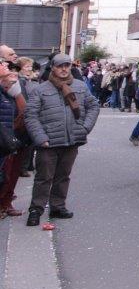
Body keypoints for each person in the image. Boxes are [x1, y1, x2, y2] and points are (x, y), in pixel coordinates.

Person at [24, 53, 99, 226]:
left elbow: (93, 106)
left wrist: (85, 128)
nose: (64, 69)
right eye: (60, 66)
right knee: (43, 177)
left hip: (72, 140)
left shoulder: (80, 86)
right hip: (48, 142)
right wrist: (40, 137)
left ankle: (58, 206)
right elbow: (31, 115)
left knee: (63, 176)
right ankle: (36, 209)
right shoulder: (41, 89)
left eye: (67, 65)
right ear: (53, 68)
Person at [0, 64, 27, 218]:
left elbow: (23, 112)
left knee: (9, 175)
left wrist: (16, 94)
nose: (7, 66)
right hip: (5, 140)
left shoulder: (12, 90)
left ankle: (5, 203)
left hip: (12, 139)